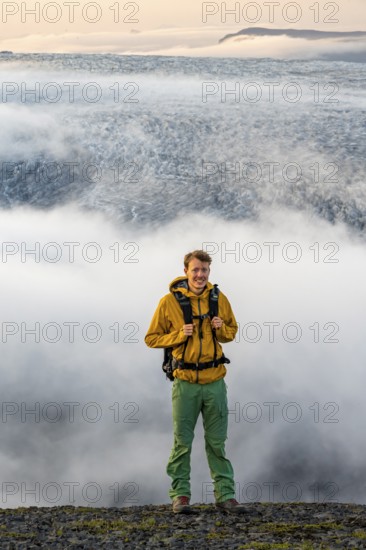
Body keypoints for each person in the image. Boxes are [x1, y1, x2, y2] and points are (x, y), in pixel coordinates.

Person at [145, 249, 245, 514]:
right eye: (195, 270)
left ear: (209, 272)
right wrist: (179, 334)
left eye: (204, 270)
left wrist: (220, 328)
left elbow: (231, 333)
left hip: (215, 382)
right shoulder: (169, 302)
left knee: (217, 442)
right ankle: (180, 496)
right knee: (182, 442)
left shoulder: (218, 298)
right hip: (185, 382)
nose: (200, 275)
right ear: (186, 271)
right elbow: (152, 338)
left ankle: (225, 496)